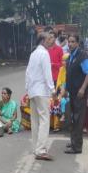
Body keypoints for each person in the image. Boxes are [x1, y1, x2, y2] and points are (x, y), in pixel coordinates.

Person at [25, 32, 55, 160]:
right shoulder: (44, 53)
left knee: (35, 120)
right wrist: (52, 89)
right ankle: (41, 150)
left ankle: (36, 148)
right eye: (49, 39)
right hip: (41, 91)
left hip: (33, 91)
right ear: (42, 40)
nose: (51, 41)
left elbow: (28, 73)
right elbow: (47, 73)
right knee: (44, 120)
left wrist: (28, 89)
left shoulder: (33, 54)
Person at [65, 34, 88, 154]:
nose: (70, 44)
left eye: (72, 42)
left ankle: (77, 147)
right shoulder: (70, 56)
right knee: (72, 117)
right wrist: (65, 89)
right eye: (68, 42)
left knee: (78, 118)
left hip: (80, 92)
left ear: (77, 43)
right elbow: (69, 74)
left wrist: (82, 88)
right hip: (72, 91)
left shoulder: (82, 55)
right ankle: (73, 141)